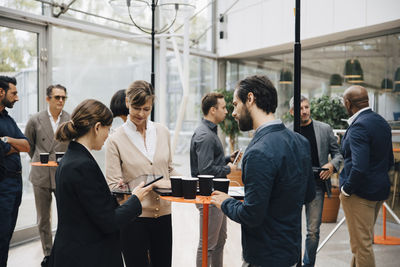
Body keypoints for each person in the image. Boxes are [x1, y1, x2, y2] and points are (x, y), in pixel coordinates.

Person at [211, 75, 316, 267]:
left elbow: (251, 215)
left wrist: (225, 202)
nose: (234, 113)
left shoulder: (258, 151)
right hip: (292, 255)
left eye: (235, 104)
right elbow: (308, 194)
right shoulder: (300, 142)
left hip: (265, 257)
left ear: (250, 99)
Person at [48, 99, 151, 267]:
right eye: (107, 130)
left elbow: (88, 207)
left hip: (72, 251)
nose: (107, 136)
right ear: (97, 127)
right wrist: (135, 200)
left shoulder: (70, 159)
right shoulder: (83, 165)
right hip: (88, 255)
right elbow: (109, 222)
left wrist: (115, 198)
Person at [106, 80, 179, 267]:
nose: (141, 114)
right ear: (127, 102)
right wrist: (149, 184)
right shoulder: (115, 139)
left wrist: (182, 183)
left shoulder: (162, 132)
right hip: (133, 220)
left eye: (146, 109)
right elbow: (113, 185)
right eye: (136, 108)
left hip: (163, 215)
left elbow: (169, 168)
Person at [340, 85, 394, 267]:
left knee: (362, 246)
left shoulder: (359, 127)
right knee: (360, 243)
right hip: (378, 191)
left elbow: (359, 167)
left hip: (359, 194)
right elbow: (390, 162)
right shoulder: (381, 122)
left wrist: (346, 189)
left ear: (348, 103)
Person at [288, 95, 343, 267]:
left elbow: (338, 154)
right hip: (294, 188)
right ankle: (293, 262)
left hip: (316, 186)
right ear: (292, 112)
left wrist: (332, 165)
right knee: (292, 229)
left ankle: (308, 264)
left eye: (306, 107)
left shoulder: (324, 129)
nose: (304, 111)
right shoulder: (287, 131)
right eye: (299, 109)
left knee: (313, 231)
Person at [24, 84, 70, 267]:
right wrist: (40, 161)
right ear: (48, 98)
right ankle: (48, 253)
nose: (60, 101)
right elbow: (29, 146)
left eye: (63, 98)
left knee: (67, 215)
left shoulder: (70, 119)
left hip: (62, 174)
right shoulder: (35, 119)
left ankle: (63, 251)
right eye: (57, 97)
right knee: (43, 218)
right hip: (41, 175)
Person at [190, 92, 237, 267]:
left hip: (216, 195)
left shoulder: (208, 133)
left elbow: (209, 162)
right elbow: (205, 170)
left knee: (219, 241)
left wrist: (226, 159)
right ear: (212, 110)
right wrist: (228, 169)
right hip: (208, 196)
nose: (226, 111)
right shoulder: (206, 136)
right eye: (223, 107)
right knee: (207, 245)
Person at [0, 76, 30, 266]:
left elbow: (27, 145)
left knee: (6, 237)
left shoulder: (8, 119)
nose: (17, 98)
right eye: (14, 93)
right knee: (1, 237)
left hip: (15, 185)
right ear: (1, 92)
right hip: (2, 185)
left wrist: (8, 140)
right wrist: (11, 147)